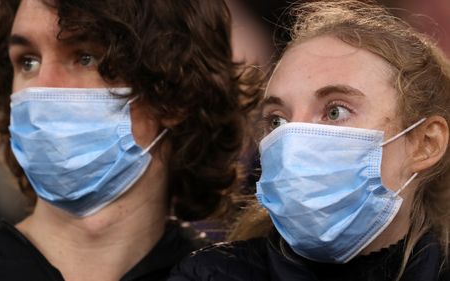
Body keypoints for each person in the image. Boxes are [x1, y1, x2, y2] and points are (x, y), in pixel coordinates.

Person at [0, 0, 259, 280]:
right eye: (28, 61)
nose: (42, 87)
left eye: (85, 58)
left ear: (175, 95)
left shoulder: (222, 274)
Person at [168, 1, 450, 281]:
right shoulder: (208, 274)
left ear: (426, 143)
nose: (293, 143)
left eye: (335, 111)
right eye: (277, 121)